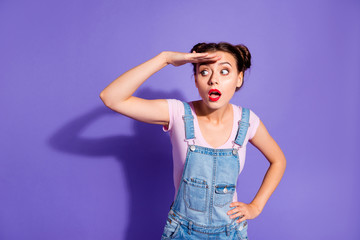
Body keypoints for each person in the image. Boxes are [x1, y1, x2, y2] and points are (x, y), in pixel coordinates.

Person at [99, 42, 286, 239]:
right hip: (182, 232)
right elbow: (111, 98)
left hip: (230, 233)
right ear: (195, 80)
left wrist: (256, 207)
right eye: (204, 72)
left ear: (239, 78)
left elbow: (278, 160)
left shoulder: (247, 122)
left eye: (224, 71)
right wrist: (165, 59)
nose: (214, 80)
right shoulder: (178, 113)